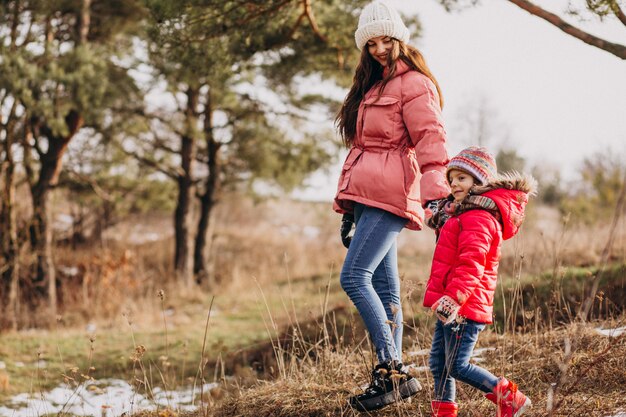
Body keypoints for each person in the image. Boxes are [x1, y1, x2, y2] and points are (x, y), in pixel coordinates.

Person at [333, 0, 451, 411]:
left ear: (401, 38)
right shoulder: (372, 84)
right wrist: (350, 209)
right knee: (385, 288)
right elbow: (363, 150)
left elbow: (431, 141)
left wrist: (437, 194)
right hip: (367, 196)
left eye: (387, 40)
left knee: (353, 277)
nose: (380, 48)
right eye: (371, 43)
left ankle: (393, 369)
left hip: (392, 193)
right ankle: (390, 378)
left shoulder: (415, 83)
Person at [423, 146, 536, 417]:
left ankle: (511, 399)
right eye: (452, 178)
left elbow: (472, 263)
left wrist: (455, 298)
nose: (454, 183)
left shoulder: (479, 217)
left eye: (462, 178)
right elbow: (441, 226)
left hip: (463, 305)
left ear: (479, 182)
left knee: (457, 366)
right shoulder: (462, 213)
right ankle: (445, 413)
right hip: (450, 303)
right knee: (439, 364)